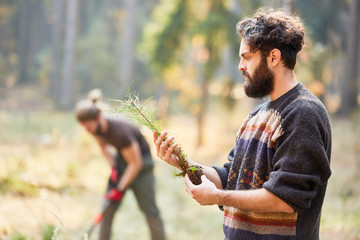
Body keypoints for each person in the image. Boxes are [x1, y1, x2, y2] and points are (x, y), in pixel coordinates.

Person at [153, 9, 331, 240]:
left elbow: (284, 199)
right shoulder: (257, 116)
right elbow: (231, 178)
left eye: (246, 57)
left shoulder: (302, 113)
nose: (240, 66)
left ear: (274, 57)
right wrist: (183, 162)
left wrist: (218, 197)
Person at [75, 94, 166, 240]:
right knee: (107, 209)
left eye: (89, 126)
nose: (88, 130)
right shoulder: (96, 129)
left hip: (142, 166)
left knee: (150, 210)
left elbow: (136, 164)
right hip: (123, 162)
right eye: (84, 127)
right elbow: (104, 147)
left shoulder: (120, 132)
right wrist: (114, 168)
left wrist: (119, 188)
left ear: (99, 118)